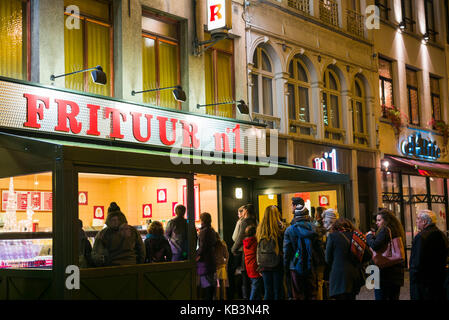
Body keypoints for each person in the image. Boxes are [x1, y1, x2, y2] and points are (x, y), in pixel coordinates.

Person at [283, 197, 325, 300]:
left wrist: (285, 267)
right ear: (307, 215)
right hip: (311, 265)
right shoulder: (315, 228)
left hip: (295, 266)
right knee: (311, 294)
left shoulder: (289, 230)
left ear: (296, 216)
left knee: (297, 295)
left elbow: (286, 252)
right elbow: (320, 249)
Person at [325, 218, 372, 300]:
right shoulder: (356, 236)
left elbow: (328, 258)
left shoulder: (332, 236)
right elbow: (368, 255)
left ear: (335, 227)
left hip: (338, 275)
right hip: (353, 274)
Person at [366, 209, 405, 300]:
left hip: (383, 273)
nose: (376, 223)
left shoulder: (385, 229)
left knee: (380, 296)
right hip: (396, 272)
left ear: (386, 220)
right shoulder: (397, 230)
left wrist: (369, 236)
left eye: (379, 220)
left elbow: (375, 245)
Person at [410, 209, 449, 300]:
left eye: (418, 218)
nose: (416, 221)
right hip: (438, 280)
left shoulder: (421, 237)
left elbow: (416, 263)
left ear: (424, 221)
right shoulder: (441, 235)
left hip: (423, 284)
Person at [92, 202, 145, 266]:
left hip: (112, 269)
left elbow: (96, 256)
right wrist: (138, 265)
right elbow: (142, 251)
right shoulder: (133, 231)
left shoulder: (103, 234)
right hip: (131, 266)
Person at [256, 205, 285, 300]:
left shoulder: (260, 229)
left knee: (268, 290)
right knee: (278, 290)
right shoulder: (280, 228)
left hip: (264, 264)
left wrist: (259, 265)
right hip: (277, 263)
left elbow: (258, 248)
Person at [231, 204, 257, 300]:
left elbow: (238, 237)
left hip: (245, 250)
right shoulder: (255, 221)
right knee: (253, 277)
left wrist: (233, 249)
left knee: (245, 277)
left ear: (245, 211)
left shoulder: (244, 222)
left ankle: (246, 297)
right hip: (254, 250)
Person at [196, 212, 217, 300]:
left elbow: (202, 246)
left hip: (205, 260)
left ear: (202, 220)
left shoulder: (203, 231)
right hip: (211, 258)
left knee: (206, 281)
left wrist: (197, 254)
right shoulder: (212, 230)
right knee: (211, 280)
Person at [243, 225, 263, 300]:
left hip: (248, 266)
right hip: (255, 266)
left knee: (256, 286)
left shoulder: (245, 243)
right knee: (255, 286)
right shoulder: (255, 242)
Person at [215, 232, 229, 300]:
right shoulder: (222, 244)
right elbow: (226, 255)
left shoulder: (212, 245)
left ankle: (217, 298)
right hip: (222, 266)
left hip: (215, 267)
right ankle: (223, 298)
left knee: (216, 285)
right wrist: (225, 263)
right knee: (222, 284)